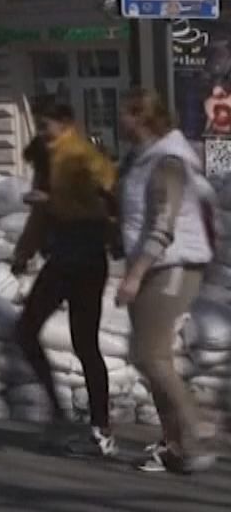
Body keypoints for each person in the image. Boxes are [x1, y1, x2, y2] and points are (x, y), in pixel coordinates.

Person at [116, 88, 220, 475]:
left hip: (173, 265)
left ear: (142, 117)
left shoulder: (168, 162)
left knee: (151, 355)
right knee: (145, 355)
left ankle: (197, 428)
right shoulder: (139, 161)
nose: (118, 121)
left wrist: (135, 275)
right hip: (151, 265)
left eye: (124, 114)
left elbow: (164, 224)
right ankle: (177, 447)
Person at [10, 102, 118, 458]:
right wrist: (24, 253)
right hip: (63, 255)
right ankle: (64, 414)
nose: (42, 132)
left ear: (66, 123)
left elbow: (108, 199)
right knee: (28, 330)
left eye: (47, 125)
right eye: (39, 126)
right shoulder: (48, 157)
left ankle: (98, 427)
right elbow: (40, 217)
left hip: (84, 254)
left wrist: (51, 199)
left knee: (83, 342)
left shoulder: (83, 156)